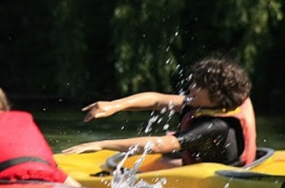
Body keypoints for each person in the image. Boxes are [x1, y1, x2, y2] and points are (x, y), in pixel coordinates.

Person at [62, 57, 257, 171]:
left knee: (162, 157)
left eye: (198, 85)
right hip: (197, 159)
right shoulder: (206, 105)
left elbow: (160, 145)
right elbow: (156, 100)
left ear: (217, 94)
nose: (191, 87)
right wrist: (114, 106)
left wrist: (102, 144)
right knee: (165, 159)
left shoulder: (215, 125)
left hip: (223, 176)